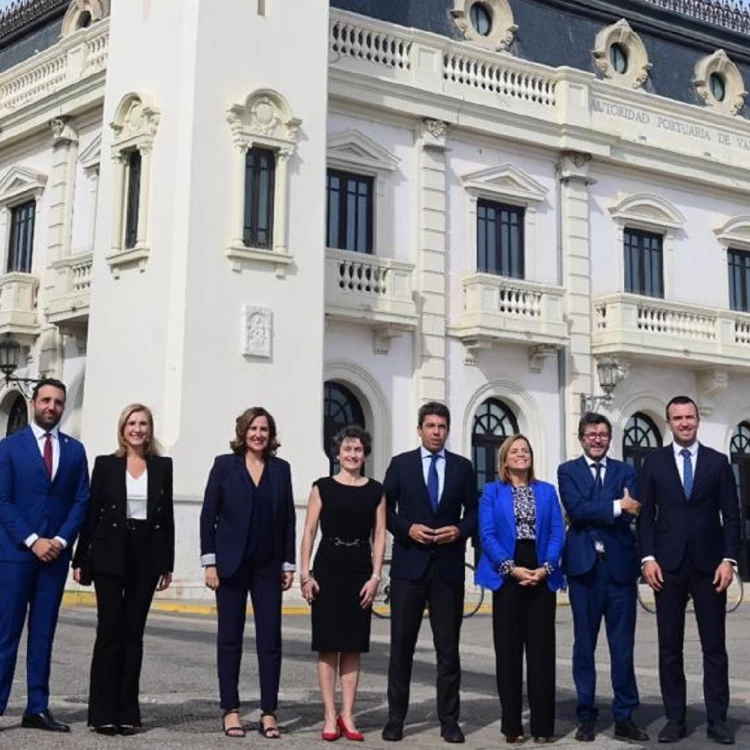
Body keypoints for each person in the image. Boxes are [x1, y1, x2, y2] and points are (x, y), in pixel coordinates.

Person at [639, 395, 740, 745]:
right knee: (670, 646)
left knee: (714, 647)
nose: (684, 423)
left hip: (710, 567)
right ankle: (675, 719)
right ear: (669, 422)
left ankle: (717, 720)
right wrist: (647, 558)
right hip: (666, 567)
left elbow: (732, 516)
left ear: (697, 420)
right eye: (677, 418)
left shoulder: (718, 463)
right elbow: (646, 516)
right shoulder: (653, 463)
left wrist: (730, 560)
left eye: (689, 417)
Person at [72, 403, 174, 735]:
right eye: (132, 423)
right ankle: (102, 712)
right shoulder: (105, 465)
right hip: (108, 553)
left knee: (134, 634)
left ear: (150, 430)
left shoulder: (162, 466)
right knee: (109, 631)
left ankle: (128, 710)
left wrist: (167, 562)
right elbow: (92, 513)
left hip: (146, 554)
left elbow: (166, 516)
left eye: (143, 423)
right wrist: (80, 558)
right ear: (123, 428)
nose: (138, 429)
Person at [381, 401, 476, 744]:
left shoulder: (463, 467)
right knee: (401, 648)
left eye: (442, 427)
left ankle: (449, 719)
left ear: (448, 431)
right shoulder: (401, 465)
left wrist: (460, 531)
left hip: (448, 569)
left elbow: (475, 511)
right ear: (419, 429)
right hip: (409, 568)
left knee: (448, 650)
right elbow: (384, 510)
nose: (436, 432)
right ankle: (396, 719)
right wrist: (407, 529)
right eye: (431, 426)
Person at [200, 407, 296, 739]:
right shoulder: (225, 466)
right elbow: (208, 515)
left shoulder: (281, 470)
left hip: (268, 567)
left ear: (271, 435)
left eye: (264, 429)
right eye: (253, 428)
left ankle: (269, 712)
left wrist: (288, 563)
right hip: (230, 565)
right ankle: (231, 709)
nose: (258, 434)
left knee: (270, 641)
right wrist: (209, 562)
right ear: (243, 432)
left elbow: (287, 520)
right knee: (230, 639)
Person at [0, 378, 89, 733]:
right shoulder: (9, 447)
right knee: (6, 634)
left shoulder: (74, 450)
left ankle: (37, 706)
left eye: (58, 402)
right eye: (46, 400)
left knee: (43, 634)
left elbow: (82, 499)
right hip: (16, 555)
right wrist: (34, 539)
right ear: (34, 402)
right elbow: (2, 501)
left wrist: (62, 541)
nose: (52, 407)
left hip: (55, 558)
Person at [557, 413, 648, 743]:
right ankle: (586, 714)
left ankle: (625, 715)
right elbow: (576, 509)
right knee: (584, 646)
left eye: (603, 435)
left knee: (622, 647)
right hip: (583, 570)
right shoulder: (568, 471)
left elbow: (633, 507)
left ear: (610, 439)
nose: (597, 439)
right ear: (581, 437)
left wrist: (606, 508)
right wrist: (615, 506)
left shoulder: (626, 471)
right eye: (591, 434)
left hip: (620, 570)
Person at [299, 425, 386, 741]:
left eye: (358, 450)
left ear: (365, 454)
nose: (352, 455)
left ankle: (348, 715)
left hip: (360, 570)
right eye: (347, 449)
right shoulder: (321, 487)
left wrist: (376, 576)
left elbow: (379, 536)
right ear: (337, 453)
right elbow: (309, 532)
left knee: (353, 646)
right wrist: (305, 573)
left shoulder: (376, 490)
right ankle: (328, 717)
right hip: (327, 569)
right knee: (327, 646)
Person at [475, 433, 564, 744]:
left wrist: (546, 567)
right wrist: (511, 568)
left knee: (542, 653)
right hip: (507, 574)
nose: (521, 455)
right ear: (505, 458)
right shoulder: (491, 492)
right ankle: (511, 725)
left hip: (540, 571)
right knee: (509, 653)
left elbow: (556, 531)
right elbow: (486, 534)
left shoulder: (547, 491)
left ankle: (543, 727)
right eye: (515, 451)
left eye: (525, 450)